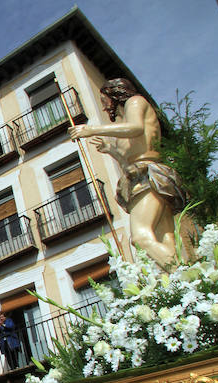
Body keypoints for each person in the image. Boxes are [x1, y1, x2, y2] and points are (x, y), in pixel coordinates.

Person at [68, 77, 192, 268]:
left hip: (148, 175)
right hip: (136, 177)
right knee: (165, 240)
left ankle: (184, 276)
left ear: (114, 94)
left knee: (141, 237)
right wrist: (111, 150)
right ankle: (179, 278)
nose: (104, 107)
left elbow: (136, 128)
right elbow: (127, 159)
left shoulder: (135, 102)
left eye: (104, 101)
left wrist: (90, 130)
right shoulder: (121, 120)